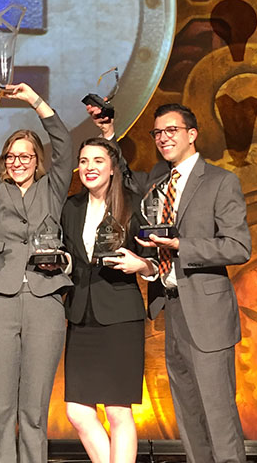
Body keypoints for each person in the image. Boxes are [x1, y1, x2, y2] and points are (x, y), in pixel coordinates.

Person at [89, 102, 251, 463]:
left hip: (207, 312)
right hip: (171, 307)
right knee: (188, 413)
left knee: (218, 413)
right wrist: (108, 136)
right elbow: (126, 181)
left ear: (192, 135)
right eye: (158, 133)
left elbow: (239, 246)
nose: (163, 139)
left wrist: (182, 246)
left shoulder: (220, 182)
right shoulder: (157, 179)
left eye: (171, 131)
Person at [0, 81, 74, 463]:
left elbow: (63, 146)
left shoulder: (53, 187)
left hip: (46, 302)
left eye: (26, 156)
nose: (17, 163)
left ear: (37, 160)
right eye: (11, 157)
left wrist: (34, 100)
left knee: (34, 411)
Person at [61, 137, 155, 463]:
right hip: (80, 316)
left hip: (119, 317)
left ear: (113, 167)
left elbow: (156, 259)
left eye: (98, 161)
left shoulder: (133, 204)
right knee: (77, 411)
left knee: (117, 410)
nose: (90, 168)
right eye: (84, 161)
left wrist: (140, 265)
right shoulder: (71, 207)